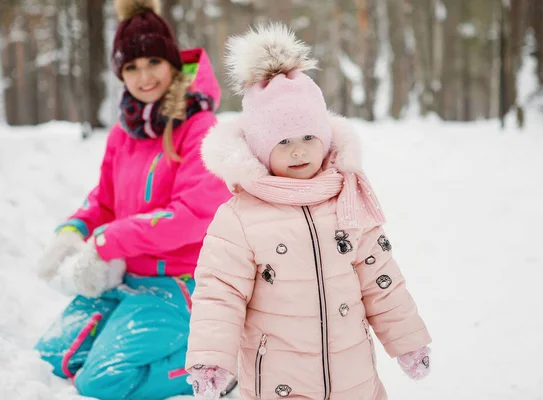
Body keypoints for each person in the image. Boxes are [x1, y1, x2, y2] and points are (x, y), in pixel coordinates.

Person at [185, 23, 432, 400]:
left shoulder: (347, 199)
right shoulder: (240, 216)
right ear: (260, 147)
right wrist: (212, 358)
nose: (298, 151)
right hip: (279, 382)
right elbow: (220, 292)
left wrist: (408, 341)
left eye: (308, 138)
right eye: (283, 141)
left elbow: (382, 279)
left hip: (354, 379)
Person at [33, 0, 233, 398]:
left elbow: (192, 216)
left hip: (180, 283)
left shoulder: (200, 128)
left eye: (153, 62)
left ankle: (224, 365)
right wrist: (74, 229)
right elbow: (104, 199)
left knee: (103, 381)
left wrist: (108, 241)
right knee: (56, 355)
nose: (144, 78)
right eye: (131, 67)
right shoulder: (124, 132)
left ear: (173, 63)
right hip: (127, 279)